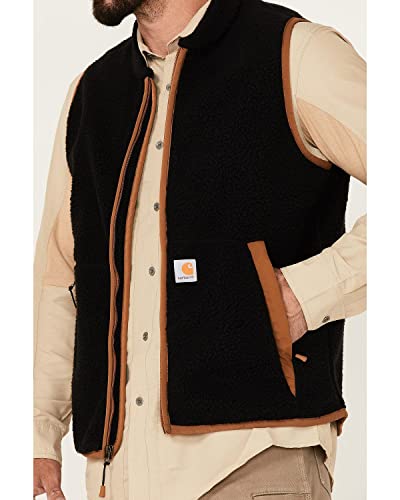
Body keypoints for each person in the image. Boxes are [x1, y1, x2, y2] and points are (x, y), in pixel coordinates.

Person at [33, 0, 366, 498]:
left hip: (252, 461)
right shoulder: (91, 93)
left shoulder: (295, 53)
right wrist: (39, 434)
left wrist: (304, 294)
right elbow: (62, 277)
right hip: (117, 476)